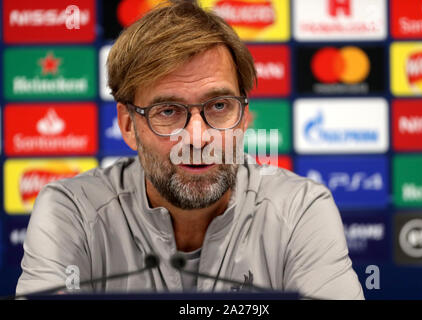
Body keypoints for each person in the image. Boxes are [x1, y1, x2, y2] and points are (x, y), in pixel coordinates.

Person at [16, 0, 364, 299]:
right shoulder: (70, 213)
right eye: (168, 111)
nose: (197, 138)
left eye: (218, 106)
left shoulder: (301, 210)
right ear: (127, 125)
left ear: (243, 117)